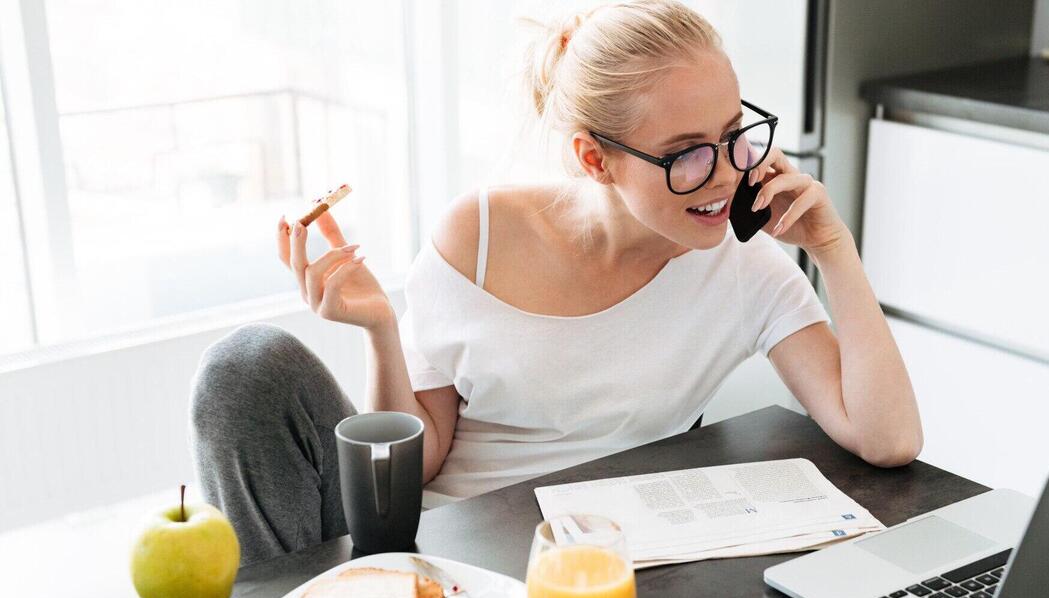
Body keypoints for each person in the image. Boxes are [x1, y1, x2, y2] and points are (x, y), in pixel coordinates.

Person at [190, 0, 922, 565]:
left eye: (734, 134)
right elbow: (416, 475)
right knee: (247, 369)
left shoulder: (742, 267)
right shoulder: (475, 238)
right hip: (455, 546)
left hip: (601, 561)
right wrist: (384, 330)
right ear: (595, 159)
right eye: (686, 154)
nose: (727, 172)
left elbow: (887, 438)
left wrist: (834, 249)